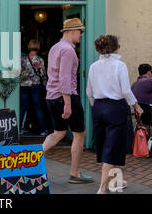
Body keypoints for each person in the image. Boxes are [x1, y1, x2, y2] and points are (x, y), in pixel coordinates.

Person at [86, 35, 144, 194]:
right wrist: (136, 106)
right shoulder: (120, 65)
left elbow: (89, 92)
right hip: (115, 107)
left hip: (98, 107)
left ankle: (117, 180)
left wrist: (96, 106)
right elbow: (126, 90)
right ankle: (102, 188)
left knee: (109, 145)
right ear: (116, 48)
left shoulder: (93, 66)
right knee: (111, 148)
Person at [42, 18, 93, 184]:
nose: (81, 35)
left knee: (59, 133)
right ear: (73, 31)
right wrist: (68, 104)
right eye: (80, 31)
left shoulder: (55, 48)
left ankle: (28, 160)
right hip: (66, 97)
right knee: (79, 134)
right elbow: (64, 78)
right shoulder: (68, 50)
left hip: (51, 96)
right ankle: (75, 173)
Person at [20, 39, 49, 137]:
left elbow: (19, 73)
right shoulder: (40, 60)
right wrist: (45, 86)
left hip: (23, 86)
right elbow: (43, 74)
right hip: (35, 86)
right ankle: (43, 130)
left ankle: (19, 129)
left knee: (23, 108)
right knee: (38, 108)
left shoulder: (23, 59)